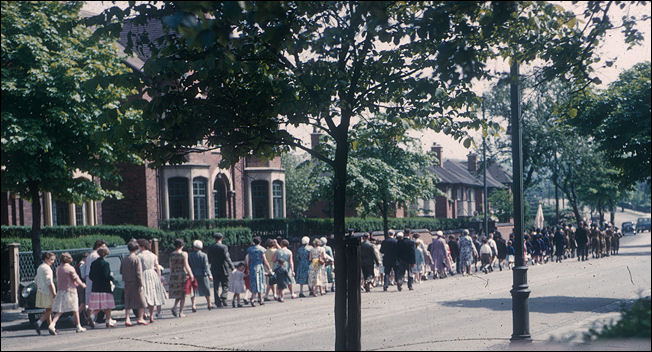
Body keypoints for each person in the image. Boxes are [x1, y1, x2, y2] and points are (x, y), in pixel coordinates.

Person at [49, 253, 87, 334]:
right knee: (75, 309)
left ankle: (52, 324)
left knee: (60, 310)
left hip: (61, 291)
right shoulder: (70, 268)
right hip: (70, 291)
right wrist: (82, 284)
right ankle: (78, 326)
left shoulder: (58, 268)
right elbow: (76, 278)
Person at [137, 239, 167, 323]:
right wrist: (159, 277)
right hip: (153, 274)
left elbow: (139, 268)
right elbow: (157, 267)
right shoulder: (153, 255)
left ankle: (145, 313)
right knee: (152, 294)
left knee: (145, 294)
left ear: (142, 246)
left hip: (144, 274)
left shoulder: (139, 256)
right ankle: (151, 315)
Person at [120, 240, 148, 326]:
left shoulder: (124, 259)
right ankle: (140, 318)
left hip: (127, 282)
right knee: (141, 301)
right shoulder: (136, 259)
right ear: (136, 249)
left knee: (128, 301)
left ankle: (127, 319)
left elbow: (121, 271)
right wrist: (141, 284)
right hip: (136, 282)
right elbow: (138, 272)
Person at [88, 247, 116, 328]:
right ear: (106, 254)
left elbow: (91, 276)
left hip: (95, 287)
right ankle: (108, 321)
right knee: (108, 306)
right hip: (105, 287)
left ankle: (92, 316)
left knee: (98, 306)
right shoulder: (106, 264)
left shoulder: (93, 263)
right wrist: (112, 278)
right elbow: (106, 276)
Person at [206, 232, 234, 308]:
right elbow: (227, 257)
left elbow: (209, 258)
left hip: (214, 267)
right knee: (225, 284)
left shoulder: (211, 247)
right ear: (221, 238)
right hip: (224, 267)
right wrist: (232, 267)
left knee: (216, 286)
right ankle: (223, 297)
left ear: (214, 238)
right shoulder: (224, 247)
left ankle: (218, 302)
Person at [169, 238, 194, 318]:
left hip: (174, 275)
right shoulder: (184, 254)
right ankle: (181, 312)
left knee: (177, 293)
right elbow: (186, 265)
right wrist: (191, 274)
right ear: (182, 245)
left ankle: (174, 307)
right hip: (182, 274)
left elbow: (170, 267)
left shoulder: (171, 254)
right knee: (183, 294)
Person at [83, 239, 107, 325]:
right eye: (103, 246)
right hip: (96, 279)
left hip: (89, 278)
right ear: (98, 246)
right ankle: (92, 317)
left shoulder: (90, 255)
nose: (104, 248)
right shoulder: (97, 256)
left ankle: (90, 318)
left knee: (90, 300)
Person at [34, 252, 57, 335]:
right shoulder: (47, 268)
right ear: (46, 259)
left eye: (53, 260)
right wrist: (54, 293)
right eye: (51, 260)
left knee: (48, 309)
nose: (53, 261)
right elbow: (49, 282)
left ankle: (51, 328)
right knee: (51, 309)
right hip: (48, 292)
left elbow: (35, 281)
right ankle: (39, 322)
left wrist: (39, 289)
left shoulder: (40, 267)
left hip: (41, 291)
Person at [188, 240, 213, 312]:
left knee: (193, 291)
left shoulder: (190, 255)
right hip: (203, 274)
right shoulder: (204, 255)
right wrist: (209, 275)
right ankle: (209, 303)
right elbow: (206, 266)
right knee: (206, 289)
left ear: (194, 247)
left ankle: (193, 305)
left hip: (193, 275)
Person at [246, 237, 271, 306]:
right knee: (260, 282)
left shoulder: (250, 250)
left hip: (252, 267)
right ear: (260, 242)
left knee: (254, 282)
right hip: (259, 268)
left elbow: (249, 260)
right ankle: (256, 299)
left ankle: (258, 298)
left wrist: (248, 268)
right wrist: (269, 269)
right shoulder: (262, 249)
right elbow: (265, 260)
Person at [74, 252, 88, 324]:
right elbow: (82, 276)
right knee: (83, 302)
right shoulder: (82, 265)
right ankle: (75, 317)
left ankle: (85, 318)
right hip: (82, 285)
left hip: (79, 285)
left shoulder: (78, 265)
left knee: (83, 303)